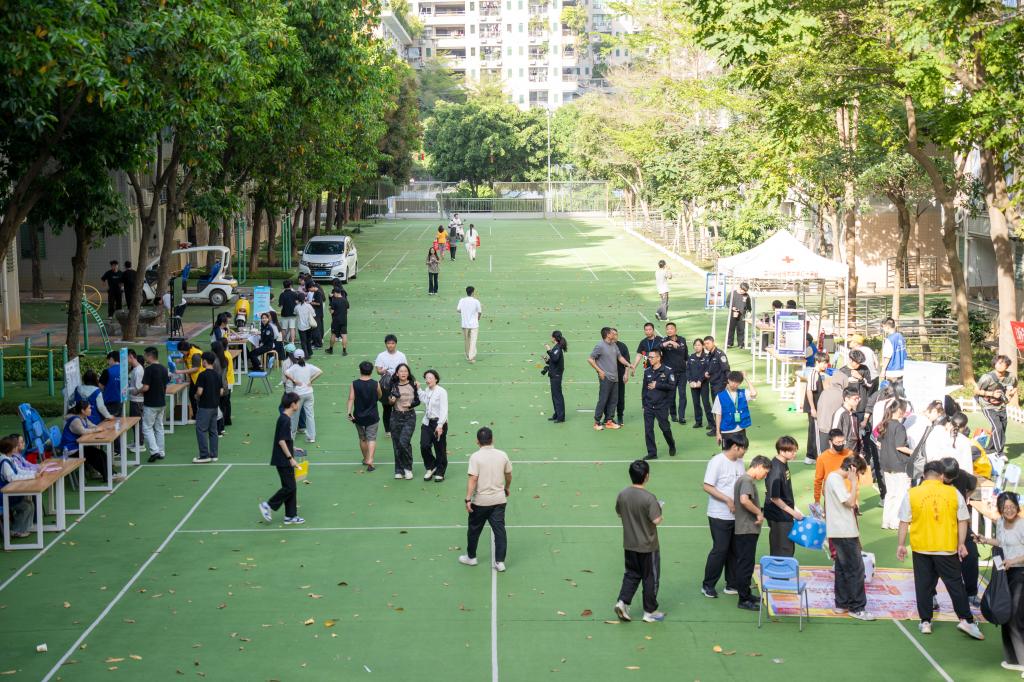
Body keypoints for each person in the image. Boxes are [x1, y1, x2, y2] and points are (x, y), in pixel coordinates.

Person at [897, 460, 984, 640]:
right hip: (946, 547)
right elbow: (963, 520)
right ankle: (966, 620)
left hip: (921, 547)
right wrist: (962, 543)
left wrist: (901, 544)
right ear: (942, 476)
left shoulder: (912, 493)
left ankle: (925, 621)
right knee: (955, 584)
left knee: (923, 585)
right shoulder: (953, 492)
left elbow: (904, 521)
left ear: (924, 475)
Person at [975, 492, 1024, 669]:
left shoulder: (1022, 525)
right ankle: (1013, 659)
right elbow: (1002, 542)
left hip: (1021, 573)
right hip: (1006, 573)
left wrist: (1014, 560)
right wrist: (985, 540)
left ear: (1017, 507)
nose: (1009, 510)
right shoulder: (1001, 522)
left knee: (1016, 616)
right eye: (1005, 507)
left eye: (1012, 506)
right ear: (1000, 509)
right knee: (1005, 612)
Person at [613, 459, 666, 623]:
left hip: (630, 544)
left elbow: (619, 513)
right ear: (646, 476)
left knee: (631, 574)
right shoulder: (649, 498)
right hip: (648, 546)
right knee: (651, 578)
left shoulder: (623, 494)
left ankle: (622, 602)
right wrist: (659, 509)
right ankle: (650, 611)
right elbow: (656, 520)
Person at [826, 455, 875, 620]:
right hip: (844, 531)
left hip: (840, 530)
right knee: (855, 569)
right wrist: (853, 483)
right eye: (858, 473)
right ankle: (857, 607)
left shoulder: (834, 478)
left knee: (842, 569)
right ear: (853, 469)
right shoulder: (835, 479)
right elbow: (850, 503)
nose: (858, 477)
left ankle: (842, 604)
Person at [701, 433, 748, 598]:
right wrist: (727, 500)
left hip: (737, 515)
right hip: (719, 515)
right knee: (720, 550)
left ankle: (732, 584)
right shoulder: (717, 462)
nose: (744, 452)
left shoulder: (740, 463)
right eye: (743, 449)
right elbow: (707, 486)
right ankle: (708, 585)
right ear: (735, 447)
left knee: (734, 550)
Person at [459, 427, 512, 571]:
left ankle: (471, 557)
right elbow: (508, 475)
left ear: (477, 441)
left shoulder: (475, 457)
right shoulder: (502, 455)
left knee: (474, 530)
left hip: (481, 502)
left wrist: (468, 499)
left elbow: (473, 479)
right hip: (499, 500)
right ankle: (500, 562)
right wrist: (507, 487)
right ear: (492, 439)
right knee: (500, 531)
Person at [732, 455, 772, 611]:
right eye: (765, 472)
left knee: (746, 563)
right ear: (759, 466)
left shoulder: (744, 480)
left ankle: (746, 594)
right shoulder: (747, 481)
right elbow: (744, 500)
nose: (765, 476)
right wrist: (758, 513)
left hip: (746, 528)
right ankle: (743, 598)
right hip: (746, 529)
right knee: (745, 564)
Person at [259, 392, 305, 525]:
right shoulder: (285, 420)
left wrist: (293, 448)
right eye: (297, 402)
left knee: (291, 487)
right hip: (283, 460)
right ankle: (268, 505)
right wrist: (291, 458)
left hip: (283, 458)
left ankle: (290, 516)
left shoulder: (284, 418)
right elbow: (281, 441)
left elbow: (284, 438)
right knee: (289, 487)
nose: (298, 404)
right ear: (293, 404)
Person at [940, 457, 980, 607]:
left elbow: (974, 482)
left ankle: (971, 593)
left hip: (960, 522)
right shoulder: (932, 478)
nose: (949, 480)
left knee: (971, 554)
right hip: (939, 525)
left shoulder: (962, 475)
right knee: (933, 559)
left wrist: (966, 497)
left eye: (952, 478)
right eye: (946, 478)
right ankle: (931, 596)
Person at [763, 436, 802, 557]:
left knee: (786, 547)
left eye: (795, 450)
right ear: (782, 451)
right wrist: (793, 513)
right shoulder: (776, 470)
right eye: (792, 451)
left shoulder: (783, 463)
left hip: (784, 513)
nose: (795, 453)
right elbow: (774, 498)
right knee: (782, 549)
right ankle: (780, 569)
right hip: (779, 516)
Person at [975, 354, 1018, 460]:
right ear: (994, 364)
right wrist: (992, 394)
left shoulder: (1011, 377)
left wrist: (1011, 394)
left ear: (1007, 365)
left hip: (1001, 405)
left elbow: (1015, 386)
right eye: (999, 363)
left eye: (1004, 363)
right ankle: (1000, 453)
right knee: (997, 427)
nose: (1001, 365)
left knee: (1002, 428)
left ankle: (990, 449)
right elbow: (976, 391)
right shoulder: (987, 377)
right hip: (987, 406)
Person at [588, 327, 632, 431]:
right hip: (606, 377)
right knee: (603, 400)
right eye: (612, 333)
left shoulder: (614, 345)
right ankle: (596, 422)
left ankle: (609, 421)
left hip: (615, 377)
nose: (614, 334)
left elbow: (620, 357)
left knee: (613, 400)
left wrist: (628, 364)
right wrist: (600, 371)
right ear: (608, 334)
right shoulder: (600, 346)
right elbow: (590, 359)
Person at [879, 399, 913, 529]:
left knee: (890, 494)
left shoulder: (884, 424)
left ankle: (886, 521)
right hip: (899, 464)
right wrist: (914, 452)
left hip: (886, 463)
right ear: (899, 410)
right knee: (901, 494)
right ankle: (895, 521)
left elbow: (879, 442)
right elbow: (900, 446)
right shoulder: (899, 427)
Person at [60, 401, 110, 482]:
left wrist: (103, 428)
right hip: (70, 450)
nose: (91, 410)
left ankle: (108, 474)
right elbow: (83, 431)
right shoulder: (75, 420)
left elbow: (92, 426)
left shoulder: (83, 418)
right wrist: (96, 430)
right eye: (89, 408)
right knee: (97, 455)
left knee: (101, 453)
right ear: (83, 411)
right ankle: (107, 476)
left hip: (77, 446)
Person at [641, 348, 677, 460]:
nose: (649, 359)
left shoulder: (667, 371)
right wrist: (644, 404)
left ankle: (671, 444)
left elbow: (672, 386)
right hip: (649, 405)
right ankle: (652, 452)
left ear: (658, 358)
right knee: (648, 430)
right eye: (649, 357)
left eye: (652, 357)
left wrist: (658, 385)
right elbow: (644, 389)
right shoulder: (647, 371)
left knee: (665, 428)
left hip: (662, 406)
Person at [348, 361, 382, 471]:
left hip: (359, 416)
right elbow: (380, 395)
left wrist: (349, 412)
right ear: (371, 371)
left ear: (360, 370)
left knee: (362, 438)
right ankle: (371, 460)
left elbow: (351, 398)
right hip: (373, 415)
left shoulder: (354, 384)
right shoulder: (375, 383)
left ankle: (366, 458)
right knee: (372, 438)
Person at [0, 436, 36, 538]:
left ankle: (25, 528)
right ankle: (15, 530)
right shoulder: (4, 462)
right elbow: (12, 478)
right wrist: (32, 476)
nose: (17, 448)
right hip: (4, 497)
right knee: (26, 507)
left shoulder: (10, 459)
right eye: (15, 446)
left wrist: (34, 474)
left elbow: (20, 471)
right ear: (10, 449)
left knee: (29, 504)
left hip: (11, 493)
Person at [388, 363, 418, 480]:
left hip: (409, 417)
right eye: (401, 371)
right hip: (395, 416)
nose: (403, 373)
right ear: (397, 373)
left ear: (408, 373)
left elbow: (418, 400)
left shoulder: (413, 384)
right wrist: (392, 399)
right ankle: (399, 470)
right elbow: (389, 401)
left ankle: (408, 468)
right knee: (396, 444)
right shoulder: (393, 385)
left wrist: (411, 404)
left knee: (403, 442)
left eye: (405, 371)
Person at [284, 348, 321, 444]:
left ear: (295, 358)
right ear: (304, 357)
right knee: (310, 415)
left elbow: (286, 373)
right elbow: (320, 371)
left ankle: (292, 436)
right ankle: (311, 437)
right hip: (309, 393)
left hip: (298, 394)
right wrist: (311, 381)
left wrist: (294, 380)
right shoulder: (308, 366)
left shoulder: (294, 367)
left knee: (294, 416)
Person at [418, 369, 449, 481]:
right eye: (426, 378)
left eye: (430, 378)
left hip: (438, 423)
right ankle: (431, 466)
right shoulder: (427, 390)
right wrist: (418, 389)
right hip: (427, 422)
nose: (428, 380)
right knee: (424, 445)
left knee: (439, 448)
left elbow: (444, 410)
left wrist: (440, 425)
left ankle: (440, 471)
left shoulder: (441, 391)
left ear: (436, 379)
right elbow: (424, 399)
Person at [711, 371, 757, 446]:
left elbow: (754, 393)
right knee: (727, 452)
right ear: (728, 380)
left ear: (740, 383)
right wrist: (718, 432)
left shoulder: (743, 393)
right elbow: (718, 415)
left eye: (737, 382)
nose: (734, 384)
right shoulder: (720, 396)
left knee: (741, 451)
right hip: (726, 431)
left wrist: (746, 378)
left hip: (741, 429)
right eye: (732, 381)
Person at [192, 352, 223, 464]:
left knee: (201, 429)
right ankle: (214, 455)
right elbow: (221, 391)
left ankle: (204, 455)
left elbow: (200, 391)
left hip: (205, 406)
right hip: (214, 406)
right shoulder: (217, 375)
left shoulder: (202, 375)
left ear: (204, 361)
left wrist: (196, 396)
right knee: (213, 431)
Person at [140, 346, 169, 463]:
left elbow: (145, 387)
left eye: (145, 355)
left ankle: (154, 451)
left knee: (147, 428)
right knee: (159, 427)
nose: (144, 358)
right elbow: (165, 385)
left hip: (150, 403)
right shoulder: (164, 369)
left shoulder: (148, 370)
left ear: (149, 356)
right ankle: (161, 451)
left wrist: (137, 391)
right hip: (161, 402)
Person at [375, 335, 408, 435]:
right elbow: (378, 370)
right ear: (385, 344)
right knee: (387, 407)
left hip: (399, 383)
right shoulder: (381, 356)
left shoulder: (401, 355)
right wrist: (383, 371)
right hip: (386, 385)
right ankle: (388, 430)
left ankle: (399, 427)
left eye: (392, 343)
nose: (390, 345)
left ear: (396, 344)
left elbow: (405, 369)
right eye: (388, 343)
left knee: (399, 406)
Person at [813, 428, 853, 506]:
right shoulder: (822, 458)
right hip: (830, 496)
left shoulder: (849, 454)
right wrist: (817, 500)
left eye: (843, 442)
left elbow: (854, 476)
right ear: (830, 442)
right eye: (838, 442)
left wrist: (855, 498)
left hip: (847, 496)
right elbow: (818, 480)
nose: (841, 444)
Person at [803, 352, 829, 464]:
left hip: (815, 407)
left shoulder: (817, 373)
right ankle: (816, 457)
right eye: (824, 363)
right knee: (816, 432)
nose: (826, 365)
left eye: (826, 363)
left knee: (813, 431)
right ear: (817, 362)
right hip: (814, 407)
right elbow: (809, 391)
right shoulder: (814, 374)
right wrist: (813, 408)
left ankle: (811, 456)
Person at [659, 323, 688, 424]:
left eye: (671, 328)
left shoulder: (682, 340)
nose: (669, 330)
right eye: (667, 329)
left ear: (676, 330)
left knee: (682, 394)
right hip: (670, 374)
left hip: (682, 372)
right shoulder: (664, 340)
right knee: (671, 395)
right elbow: (657, 348)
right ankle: (673, 414)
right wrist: (669, 342)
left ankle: (682, 416)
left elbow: (686, 356)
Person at [703, 336, 730, 436]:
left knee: (719, 408)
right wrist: (707, 372)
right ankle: (719, 428)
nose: (706, 345)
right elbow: (711, 368)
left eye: (708, 343)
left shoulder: (720, 354)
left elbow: (726, 369)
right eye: (705, 344)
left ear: (713, 342)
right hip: (713, 384)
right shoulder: (709, 355)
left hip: (720, 385)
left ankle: (719, 429)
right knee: (717, 407)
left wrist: (728, 383)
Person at [175, 340, 204, 420]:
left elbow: (196, 368)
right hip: (194, 378)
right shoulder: (188, 352)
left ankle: (200, 415)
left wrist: (181, 371)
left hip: (200, 378)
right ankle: (196, 415)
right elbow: (186, 359)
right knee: (192, 396)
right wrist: (179, 360)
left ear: (185, 349)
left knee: (198, 397)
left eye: (181, 352)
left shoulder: (196, 354)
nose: (181, 353)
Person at [687, 338, 712, 430]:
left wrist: (700, 381)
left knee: (706, 403)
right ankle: (698, 422)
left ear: (702, 346)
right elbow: (688, 370)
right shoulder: (691, 357)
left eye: (699, 345)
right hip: (693, 384)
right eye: (695, 345)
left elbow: (707, 370)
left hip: (703, 384)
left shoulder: (707, 357)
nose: (697, 347)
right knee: (696, 403)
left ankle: (711, 422)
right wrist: (690, 381)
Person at [830, 387, 862, 455]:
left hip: (855, 450)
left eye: (858, 398)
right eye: (855, 398)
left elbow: (857, 435)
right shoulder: (839, 413)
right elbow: (834, 435)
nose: (857, 401)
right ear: (846, 399)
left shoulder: (854, 414)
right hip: (843, 451)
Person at [544, 331, 567, 423]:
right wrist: (547, 360)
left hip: (556, 375)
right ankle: (557, 414)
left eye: (552, 337)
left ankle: (561, 417)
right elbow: (553, 360)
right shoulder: (556, 347)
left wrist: (548, 350)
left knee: (557, 396)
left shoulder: (557, 348)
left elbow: (555, 358)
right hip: (554, 374)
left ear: (554, 338)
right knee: (554, 396)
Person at [880, 317, 908, 388]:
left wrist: (883, 370)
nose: (883, 329)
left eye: (883, 327)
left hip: (892, 371)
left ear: (887, 326)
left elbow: (887, 357)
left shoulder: (889, 340)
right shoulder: (901, 336)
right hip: (902, 370)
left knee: (891, 392)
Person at [212, 340, 234, 436]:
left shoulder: (216, 362)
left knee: (219, 408)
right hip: (226, 384)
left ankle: (219, 428)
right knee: (224, 406)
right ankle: (223, 426)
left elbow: (218, 376)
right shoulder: (224, 358)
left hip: (220, 386)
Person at [456, 286, 482, 363]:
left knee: (467, 340)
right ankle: (471, 357)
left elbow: (458, 310)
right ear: (473, 292)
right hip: (474, 324)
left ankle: (468, 355)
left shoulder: (462, 300)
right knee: (473, 340)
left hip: (465, 324)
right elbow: (479, 312)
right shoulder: (476, 301)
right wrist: (478, 318)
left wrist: (465, 312)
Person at [613, 329, 630, 426]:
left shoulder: (622, 346)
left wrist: (626, 374)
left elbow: (627, 362)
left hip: (620, 375)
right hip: (609, 376)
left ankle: (620, 416)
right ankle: (608, 417)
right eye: (612, 334)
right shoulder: (606, 346)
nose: (614, 336)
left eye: (616, 334)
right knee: (607, 397)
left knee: (620, 397)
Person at [326, 286, 350, 356]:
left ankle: (331, 349)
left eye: (334, 293)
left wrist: (329, 309)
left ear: (336, 293)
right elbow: (347, 310)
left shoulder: (334, 301)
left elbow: (332, 312)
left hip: (336, 321)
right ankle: (344, 350)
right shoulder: (345, 300)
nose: (333, 295)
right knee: (344, 335)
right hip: (344, 320)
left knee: (333, 334)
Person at [99, 351, 123, 419]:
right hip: (120, 401)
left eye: (108, 360)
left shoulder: (107, 371)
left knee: (108, 422)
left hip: (109, 401)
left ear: (111, 359)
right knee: (118, 421)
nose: (108, 363)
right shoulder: (124, 370)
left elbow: (100, 386)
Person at [726, 282, 751, 349]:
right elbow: (727, 302)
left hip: (742, 315)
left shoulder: (746, 295)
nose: (744, 292)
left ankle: (740, 344)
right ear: (740, 288)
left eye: (745, 291)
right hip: (733, 314)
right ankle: (729, 343)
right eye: (743, 290)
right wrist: (732, 307)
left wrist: (749, 311)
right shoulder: (732, 293)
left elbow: (748, 305)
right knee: (731, 329)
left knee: (741, 329)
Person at [295, 294, 317, 359]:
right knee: (308, 340)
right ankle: (310, 352)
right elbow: (314, 314)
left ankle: (306, 355)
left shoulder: (297, 307)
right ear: (305, 298)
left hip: (301, 326)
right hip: (308, 325)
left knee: (303, 341)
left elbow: (295, 313)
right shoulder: (309, 306)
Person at [126, 349, 145, 419]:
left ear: (131, 356)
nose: (125, 361)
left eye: (126, 358)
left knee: (137, 422)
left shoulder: (138, 371)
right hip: (135, 400)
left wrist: (128, 390)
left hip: (137, 401)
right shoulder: (135, 369)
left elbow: (139, 389)